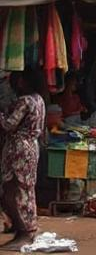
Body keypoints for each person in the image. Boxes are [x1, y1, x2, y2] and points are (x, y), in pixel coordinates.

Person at [0, 70, 44, 250]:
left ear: (23, 82)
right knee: (25, 189)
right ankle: (23, 230)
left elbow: (8, 125)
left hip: (19, 149)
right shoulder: (39, 99)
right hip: (31, 148)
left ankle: (25, 232)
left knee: (16, 190)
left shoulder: (25, 101)